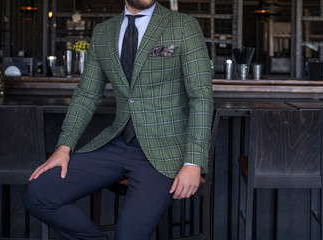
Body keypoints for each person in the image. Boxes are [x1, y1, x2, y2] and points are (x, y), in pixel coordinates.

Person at [22, 0, 213, 239]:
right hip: (119, 142)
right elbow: (87, 94)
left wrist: (193, 162)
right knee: (38, 194)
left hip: (166, 152)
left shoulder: (184, 26)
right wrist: (64, 147)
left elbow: (201, 97)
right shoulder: (103, 32)